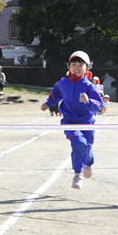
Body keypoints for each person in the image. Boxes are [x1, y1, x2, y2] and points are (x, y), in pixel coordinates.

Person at [40, 51, 103, 189]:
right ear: (69, 67)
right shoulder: (63, 83)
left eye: (81, 65)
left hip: (86, 122)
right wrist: (48, 103)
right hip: (69, 121)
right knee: (79, 144)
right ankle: (77, 175)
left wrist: (88, 102)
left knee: (87, 147)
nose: (77, 67)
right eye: (73, 64)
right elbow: (55, 93)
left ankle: (88, 163)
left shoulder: (89, 86)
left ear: (87, 68)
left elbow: (99, 105)